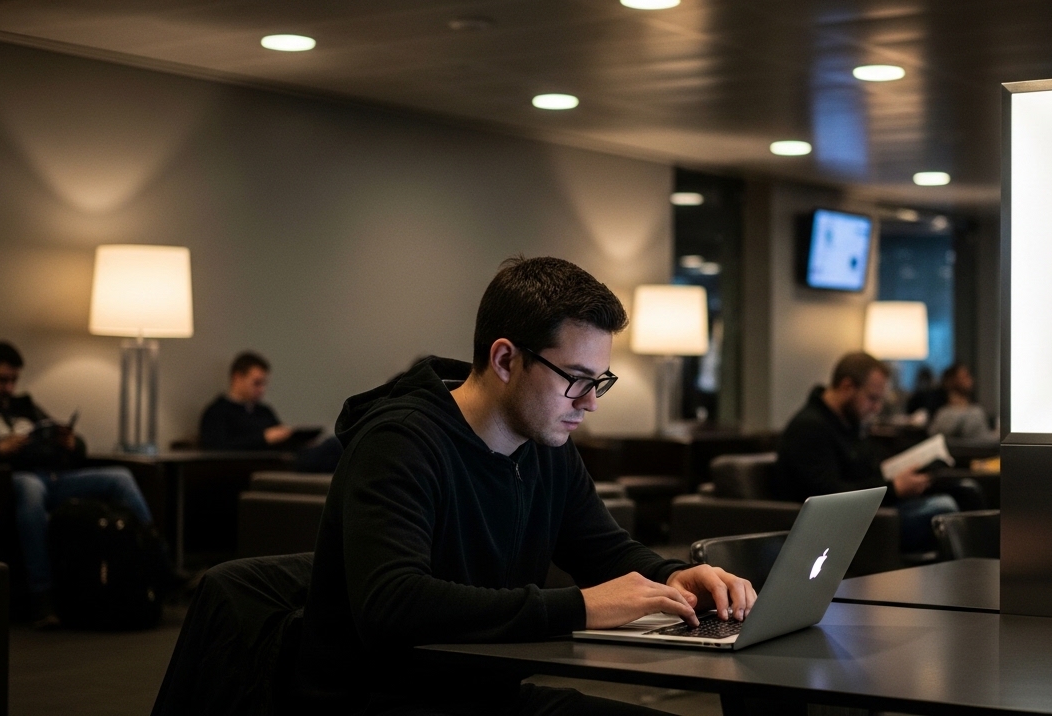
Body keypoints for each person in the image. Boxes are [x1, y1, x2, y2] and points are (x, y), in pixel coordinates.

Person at [295, 256, 755, 716]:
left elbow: (603, 551)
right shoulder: (399, 444)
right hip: (386, 701)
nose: (591, 403)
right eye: (576, 379)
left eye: (599, 381)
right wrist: (580, 608)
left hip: (488, 697)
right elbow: (393, 605)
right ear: (504, 359)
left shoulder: (547, 446)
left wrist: (671, 576)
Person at [0, 341, 160, 628]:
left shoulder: (24, 406)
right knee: (29, 487)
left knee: (120, 477)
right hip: (7, 482)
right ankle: (42, 596)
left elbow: (74, 444)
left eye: (14, 380)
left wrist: (71, 442)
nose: (9, 388)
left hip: (54, 477)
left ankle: (160, 561)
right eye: (2, 380)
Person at [775, 351, 958, 552]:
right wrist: (894, 489)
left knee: (959, 492)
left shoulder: (849, 424)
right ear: (847, 387)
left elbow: (867, 472)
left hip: (873, 515)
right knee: (944, 510)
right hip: (841, 527)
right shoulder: (809, 428)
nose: (877, 407)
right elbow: (827, 497)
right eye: (872, 398)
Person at [199, 351, 341, 471]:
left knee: (337, 447)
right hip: (265, 465)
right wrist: (263, 438)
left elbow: (281, 437)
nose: (262, 389)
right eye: (257, 383)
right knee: (334, 447)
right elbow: (217, 448)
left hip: (288, 456)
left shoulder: (263, 410)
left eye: (264, 384)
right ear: (237, 378)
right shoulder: (217, 412)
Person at [927, 363, 997, 441]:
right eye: (965, 376)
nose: (970, 380)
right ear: (951, 381)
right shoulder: (944, 414)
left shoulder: (975, 409)